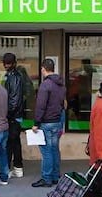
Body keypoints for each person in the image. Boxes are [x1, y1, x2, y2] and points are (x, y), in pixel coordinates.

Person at [31, 59, 66, 187]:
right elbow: (63, 104)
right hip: (57, 121)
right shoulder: (61, 84)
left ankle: (46, 178)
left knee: (46, 152)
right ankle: (56, 176)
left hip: (46, 122)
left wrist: (36, 123)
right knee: (55, 149)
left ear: (43, 69)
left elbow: (40, 105)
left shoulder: (45, 85)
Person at [2, 53, 24, 178]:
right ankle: (17, 168)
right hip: (15, 115)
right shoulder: (13, 76)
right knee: (14, 142)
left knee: (11, 143)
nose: (6, 65)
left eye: (8, 63)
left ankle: (12, 168)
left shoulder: (13, 77)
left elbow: (13, 100)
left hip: (13, 116)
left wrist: (7, 114)